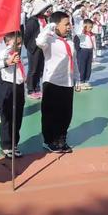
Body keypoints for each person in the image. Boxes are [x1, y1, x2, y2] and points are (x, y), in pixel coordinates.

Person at [36, 12, 80, 153]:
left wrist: (77, 78)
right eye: (66, 24)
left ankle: (61, 138)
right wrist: (49, 28)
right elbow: (39, 42)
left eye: (69, 24)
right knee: (50, 114)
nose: (69, 27)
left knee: (66, 114)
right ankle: (49, 140)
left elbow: (74, 62)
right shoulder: (50, 40)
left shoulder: (70, 42)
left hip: (67, 82)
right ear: (56, 25)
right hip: (53, 82)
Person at [0, 32, 25, 159]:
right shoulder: (4, 53)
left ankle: (14, 143)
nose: (19, 45)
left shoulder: (17, 54)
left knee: (18, 117)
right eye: (16, 43)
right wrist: (10, 47)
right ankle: (6, 145)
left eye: (20, 43)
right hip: (8, 86)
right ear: (7, 43)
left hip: (19, 86)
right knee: (7, 117)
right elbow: (2, 56)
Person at [24, 0, 52, 99]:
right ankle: (30, 89)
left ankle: (37, 87)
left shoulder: (44, 19)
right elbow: (27, 36)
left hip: (42, 47)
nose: (46, 10)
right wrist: (30, 47)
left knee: (40, 68)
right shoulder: (32, 21)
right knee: (33, 69)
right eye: (44, 9)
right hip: (34, 48)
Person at [74, 18, 95, 90]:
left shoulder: (92, 34)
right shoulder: (82, 34)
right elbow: (79, 33)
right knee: (82, 66)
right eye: (89, 27)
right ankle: (81, 81)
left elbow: (94, 44)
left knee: (88, 66)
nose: (90, 28)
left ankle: (86, 80)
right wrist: (83, 27)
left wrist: (94, 54)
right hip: (83, 51)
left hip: (90, 51)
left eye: (91, 27)